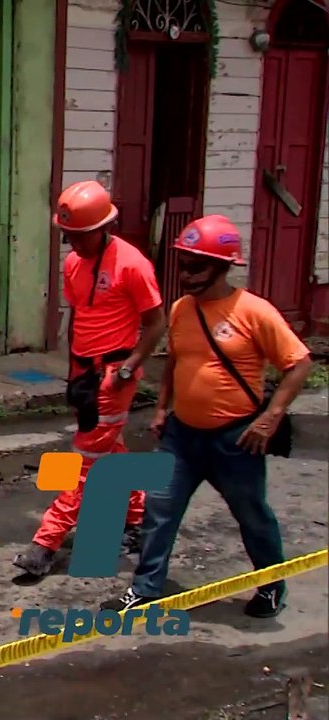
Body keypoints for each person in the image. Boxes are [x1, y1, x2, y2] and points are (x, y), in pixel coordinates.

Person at [101, 215, 311, 617]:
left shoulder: (254, 312)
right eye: (183, 264)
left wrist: (271, 416)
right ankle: (146, 589)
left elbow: (298, 363)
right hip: (182, 437)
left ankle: (270, 586)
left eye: (197, 265)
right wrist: (162, 408)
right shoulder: (181, 310)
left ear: (223, 266)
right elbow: (176, 363)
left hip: (235, 440)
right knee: (159, 511)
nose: (186, 274)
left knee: (252, 516)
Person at [13, 180, 166, 579]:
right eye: (68, 236)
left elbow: (155, 323)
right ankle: (139, 517)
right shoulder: (73, 264)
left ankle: (45, 542)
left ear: (103, 228)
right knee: (109, 450)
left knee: (85, 461)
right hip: (83, 370)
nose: (73, 244)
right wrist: (71, 372)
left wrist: (130, 367)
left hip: (115, 373)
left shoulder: (132, 265)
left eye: (79, 236)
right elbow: (77, 315)